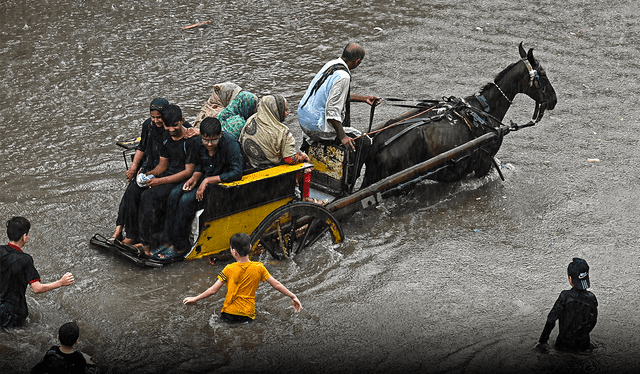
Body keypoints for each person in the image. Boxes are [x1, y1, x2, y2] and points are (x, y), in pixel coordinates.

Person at [153, 117, 243, 260]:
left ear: (220, 135)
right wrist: (195, 178)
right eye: (205, 140)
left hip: (220, 185)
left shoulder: (230, 145)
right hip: (203, 179)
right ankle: (169, 239)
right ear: (200, 136)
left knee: (186, 200)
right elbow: (200, 165)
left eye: (214, 140)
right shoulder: (198, 143)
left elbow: (236, 173)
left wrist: (207, 181)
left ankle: (181, 246)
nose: (209, 144)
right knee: (174, 194)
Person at [183, 233, 302, 323]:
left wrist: (195, 298)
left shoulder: (228, 269)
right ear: (250, 247)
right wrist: (293, 296)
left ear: (233, 251)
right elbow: (277, 285)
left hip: (228, 314)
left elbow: (213, 290)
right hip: (247, 315)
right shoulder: (259, 268)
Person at [136, 104, 200, 256]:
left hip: (182, 179)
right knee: (142, 193)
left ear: (182, 121)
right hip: (169, 176)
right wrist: (149, 174)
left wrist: (159, 182)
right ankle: (146, 240)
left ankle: (163, 241)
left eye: (175, 126)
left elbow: (188, 172)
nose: (172, 130)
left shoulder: (190, 140)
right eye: (168, 126)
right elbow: (163, 165)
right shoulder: (165, 137)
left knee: (151, 196)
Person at [297, 42, 379, 150]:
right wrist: (343, 137)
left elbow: (330, 96)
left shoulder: (331, 64)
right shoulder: (344, 77)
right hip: (316, 126)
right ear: (357, 61)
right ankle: (352, 167)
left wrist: (364, 99)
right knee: (364, 141)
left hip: (304, 119)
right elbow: (332, 111)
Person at [239, 94, 318, 203]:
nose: (288, 113)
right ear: (276, 111)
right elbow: (290, 159)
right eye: (285, 110)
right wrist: (302, 156)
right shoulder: (282, 132)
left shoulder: (251, 121)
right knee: (306, 167)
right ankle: (305, 198)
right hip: (272, 173)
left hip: (252, 166)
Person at [111, 98, 168, 243]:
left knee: (145, 197)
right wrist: (134, 167)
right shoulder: (148, 126)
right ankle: (125, 232)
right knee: (131, 192)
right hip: (150, 166)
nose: (156, 121)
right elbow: (141, 147)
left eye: (159, 117)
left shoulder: (171, 127)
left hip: (164, 171)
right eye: (153, 117)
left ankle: (143, 238)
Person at [0, 217, 74, 328]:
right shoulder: (25, 259)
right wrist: (61, 282)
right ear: (24, 236)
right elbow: (37, 288)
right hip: (14, 313)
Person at [535, 257, 598, 351]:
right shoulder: (592, 298)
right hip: (584, 345)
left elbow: (551, 320)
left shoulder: (565, 296)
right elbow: (593, 321)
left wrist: (543, 341)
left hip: (563, 345)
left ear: (570, 279)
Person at [30, 321, 96, 374]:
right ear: (76, 341)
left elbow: (37, 369)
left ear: (58, 337)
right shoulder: (79, 358)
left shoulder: (52, 351)